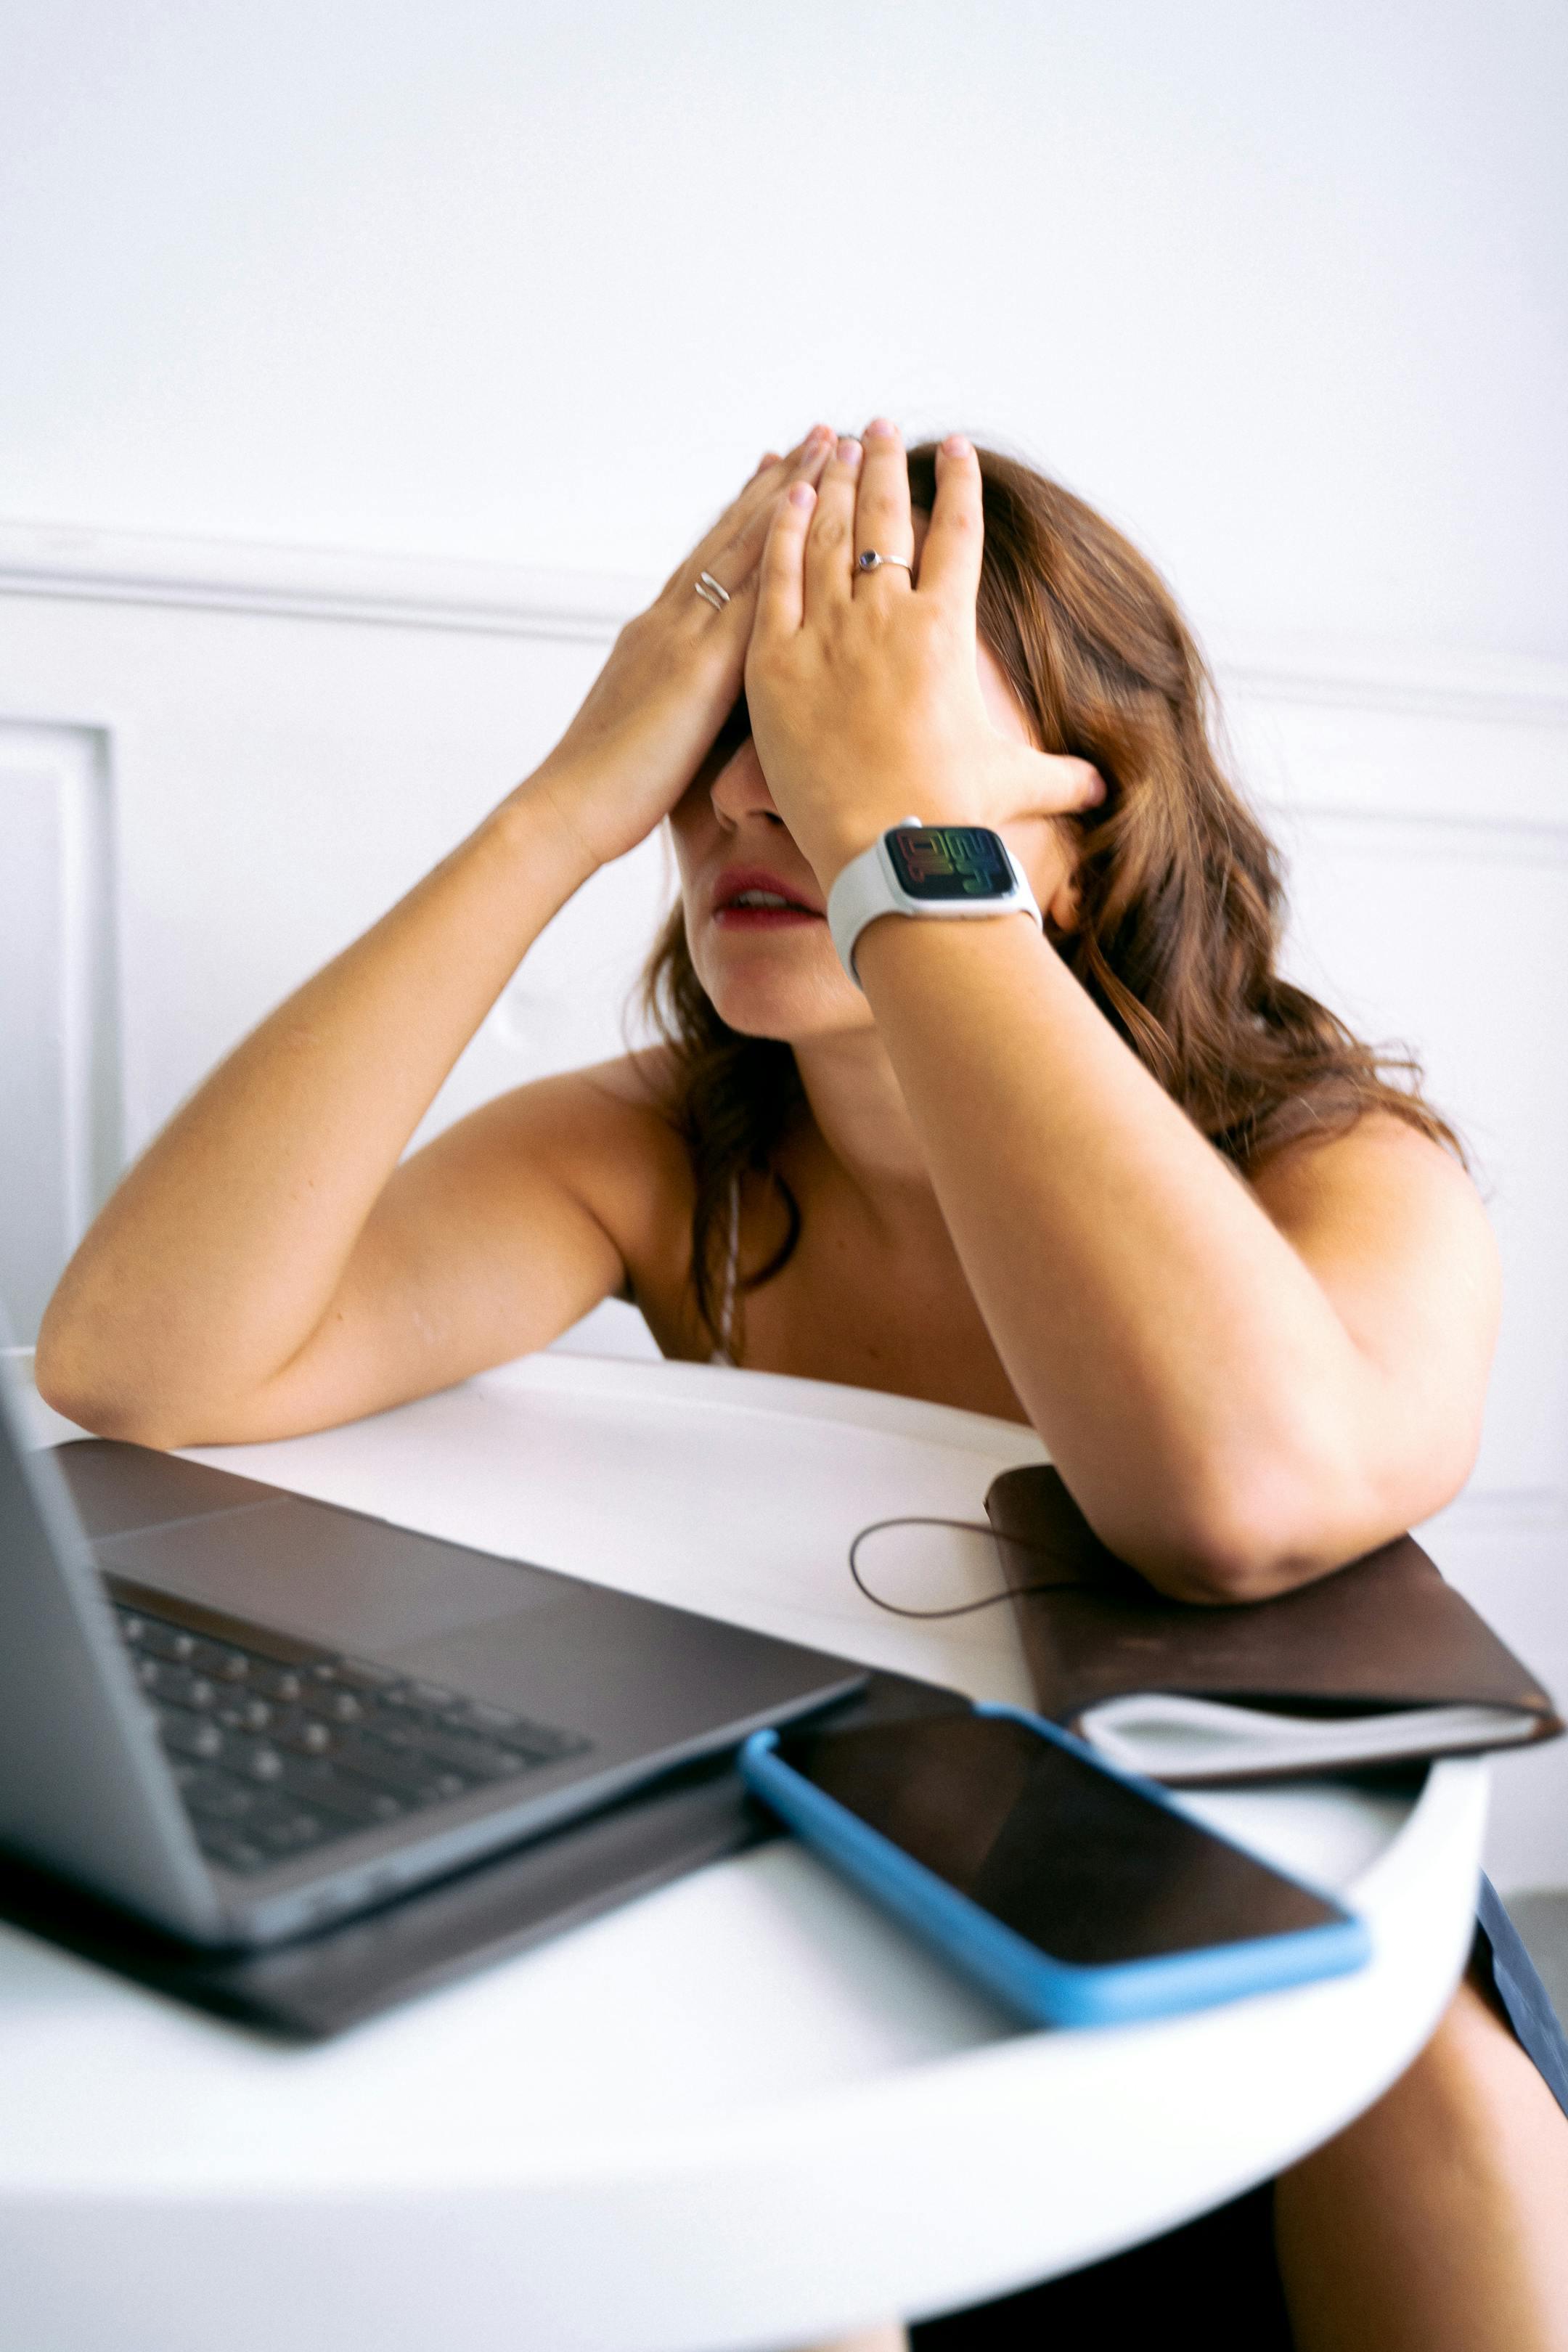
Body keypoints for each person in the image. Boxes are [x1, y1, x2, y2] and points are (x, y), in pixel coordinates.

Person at [36, 422, 1568, 2348]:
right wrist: (563, 807)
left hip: (1267, 1908)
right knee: (747, 2250)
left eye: (862, 744)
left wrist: (904, 853)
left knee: (1444, 2105)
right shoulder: (663, 1150)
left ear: (1089, 842)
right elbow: (143, 1361)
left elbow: (1241, 1497)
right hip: (870, 1846)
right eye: (735, 730)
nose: (765, 796)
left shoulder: (1336, 1163)